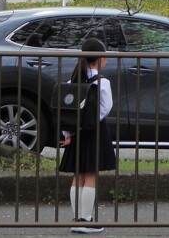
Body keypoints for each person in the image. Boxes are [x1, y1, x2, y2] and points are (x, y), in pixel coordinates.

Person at [59, 37, 117, 235]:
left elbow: (67, 111)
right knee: (91, 174)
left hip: (76, 133)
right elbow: (105, 108)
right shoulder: (102, 82)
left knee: (79, 175)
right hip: (94, 132)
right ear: (100, 58)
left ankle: (76, 219)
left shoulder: (72, 80)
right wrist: (90, 122)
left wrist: (69, 132)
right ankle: (86, 219)